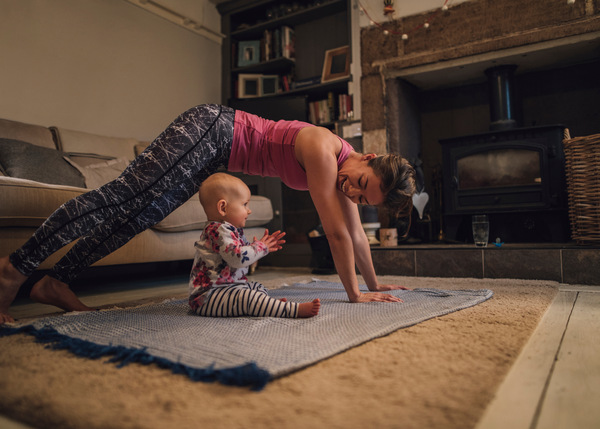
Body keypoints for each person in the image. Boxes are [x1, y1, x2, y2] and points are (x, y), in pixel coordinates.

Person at [0, 104, 416, 324]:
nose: (352, 192)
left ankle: (55, 283)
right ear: (369, 157)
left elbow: (358, 234)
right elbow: (338, 235)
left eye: (363, 199)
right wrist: (354, 294)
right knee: (123, 196)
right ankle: (15, 269)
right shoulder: (327, 152)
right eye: (360, 183)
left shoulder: (346, 172)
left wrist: (375, 284)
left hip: (215, 154)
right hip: (212, 128)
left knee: (139, 215)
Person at [189, 173, 320, 318]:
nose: (249, 210)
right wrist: (260, 248)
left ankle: (266, 305)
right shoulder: (218, 231)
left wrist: (257, 251)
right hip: (209, 298)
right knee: (247, 297)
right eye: (245, 204)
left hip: (228, 289)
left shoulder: (230, 230)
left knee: (257, 287)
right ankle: (291, 310)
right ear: (223, 208)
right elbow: (238, 258)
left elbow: (240, 258)